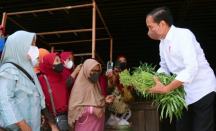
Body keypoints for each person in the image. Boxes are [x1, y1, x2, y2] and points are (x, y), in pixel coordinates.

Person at [146, 7, 216, 131]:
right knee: (181, 127)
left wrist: (167, 88)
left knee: (203, 128)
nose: (149, 31)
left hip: (202, 88)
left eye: (150, 27)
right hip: (183, 92)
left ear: (162, 24)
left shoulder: (184, 35)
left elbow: (191, 68)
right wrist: (153, 80)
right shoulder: (162, 43)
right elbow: (164, 67)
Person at [0, 30, 45, 131]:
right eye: (30, 44)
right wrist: (22, 124)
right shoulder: (8, 69)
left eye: (34, 44)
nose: (34, 48)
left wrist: (38, 114)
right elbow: (5, 100)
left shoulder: (28, 68)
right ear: (18, 45)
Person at [38, 52, 81, 131]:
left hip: (63, 119)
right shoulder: (42, 79)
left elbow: (65, 86)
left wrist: (76, 72)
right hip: (50, 122)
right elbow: (42, 102)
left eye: (60, 61)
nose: (60, 63)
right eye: (57, 61)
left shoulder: (60, 77)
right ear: (49, 63)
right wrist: (52, 125)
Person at [68, 59, 114, 131]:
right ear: (86, 70)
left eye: (97, 71)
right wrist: (92, 110)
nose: (96, 73)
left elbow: (95, 101)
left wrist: (104, 100)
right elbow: (74, 109)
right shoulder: (80, 86)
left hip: (98, 125)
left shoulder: (96, 85)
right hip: (86, 125)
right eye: (93, 70)